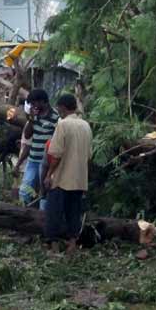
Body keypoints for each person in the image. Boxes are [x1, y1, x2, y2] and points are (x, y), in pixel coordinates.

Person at [43, 94, 92, 256]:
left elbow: (56, 154)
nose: (58, 110)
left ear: (63, 107)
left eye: (58, 107)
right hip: (79, 177)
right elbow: (89, 155)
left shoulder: (63, 124)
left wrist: (49, 174)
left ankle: (54, 246)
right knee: (74, 212)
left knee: (54, 211)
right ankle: (72, 245)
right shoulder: (86, 126)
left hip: (62, 177)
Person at [13, 89, 59, 209]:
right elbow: (28, 136)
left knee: (44, 193)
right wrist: (31, 119)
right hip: (33, 160)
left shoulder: (56, 117)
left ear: (43, 102)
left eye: (34, 103)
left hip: (47, 162)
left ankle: (42, 219)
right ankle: (24, 214)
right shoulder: (35, 117)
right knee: (24, 191)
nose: (33, 106)